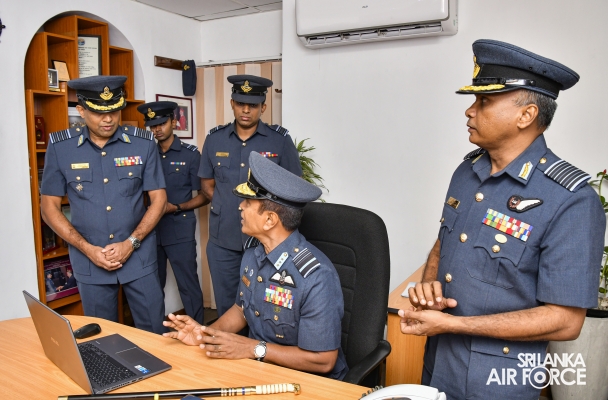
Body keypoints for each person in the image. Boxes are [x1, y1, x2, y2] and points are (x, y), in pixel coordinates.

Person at [399, 39, 606, 399]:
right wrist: (430, 284)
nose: (469, 111)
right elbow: (446, 239)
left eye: (484, 102)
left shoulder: (571, 199)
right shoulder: (468, 172)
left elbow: (566, 321)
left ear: (526, 115)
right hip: (439, 361)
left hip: (496, 381)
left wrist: (455, 324)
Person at [165, 151, 348, 380]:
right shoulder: (254, 251)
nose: (240, 207)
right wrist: (206, 334)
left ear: (270, 219)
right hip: (262, 370)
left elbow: (323, 360)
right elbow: (241, 309)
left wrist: (253, 349)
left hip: (309, 381)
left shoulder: (316, 276)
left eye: (248, 202)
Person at [40, 75, 167, 334]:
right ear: (81, 111)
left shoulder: (143, 143)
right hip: (90, 260)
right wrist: (87, 249)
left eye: (114, 111)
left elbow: (159, 200)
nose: (108, 119)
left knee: (154, 330)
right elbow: (49, 207)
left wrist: (131, 243)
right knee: (101, 336)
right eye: (99, 113)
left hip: (139, 256)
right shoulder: (61, 147)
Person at [198, 74, 302, 317]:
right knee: (226, 306)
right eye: (240, 103)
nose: (246, 110)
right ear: (232, 104)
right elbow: (207, 185)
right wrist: (226, 205)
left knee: (263, 307)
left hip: (264, 241)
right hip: (223, 241)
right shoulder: (214, 139)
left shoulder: (280, 141)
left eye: (253, 105)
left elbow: (293, 189)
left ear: (263, 107)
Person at [137, 101, 206, 324]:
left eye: (162, 123)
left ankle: (198, 331)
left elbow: (205, 195)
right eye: (153, 125)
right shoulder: (146, 154)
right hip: (150, 231)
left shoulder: (191, 154)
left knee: (188, 284)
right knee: (152, 286)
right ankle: (156, 331)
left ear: (173, 122)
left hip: (179, 228)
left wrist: (176, 207)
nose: (157, 129)